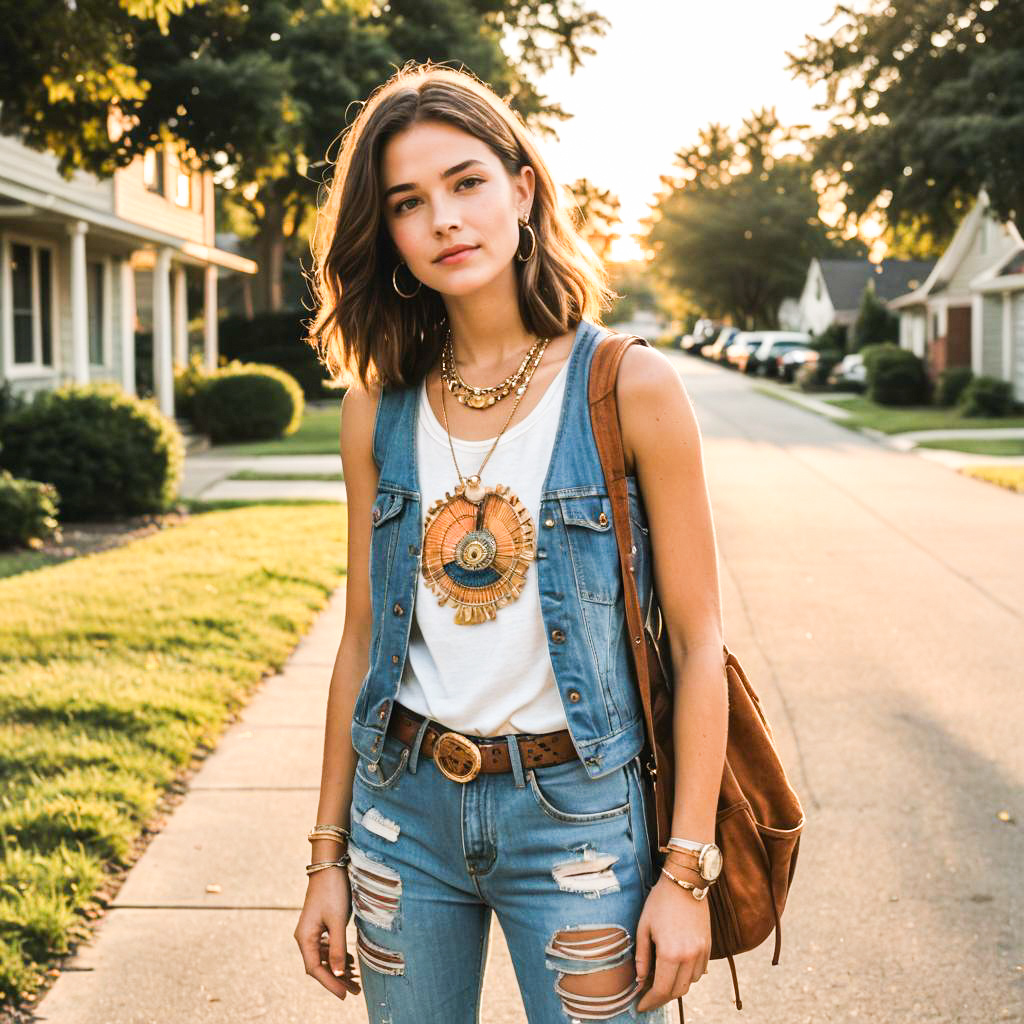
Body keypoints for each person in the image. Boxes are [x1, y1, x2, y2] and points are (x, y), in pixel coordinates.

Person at [293, 59, 728, 1024]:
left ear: (522, 189)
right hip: (399, 812)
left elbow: (700, 646)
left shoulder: (629, 389)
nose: (444, 219)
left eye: (467, 183)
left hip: (578, 821)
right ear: (390, 235)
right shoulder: (377, 409)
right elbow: (362, 638)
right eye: (408, 202)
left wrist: (686, 871)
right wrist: (326, 856)